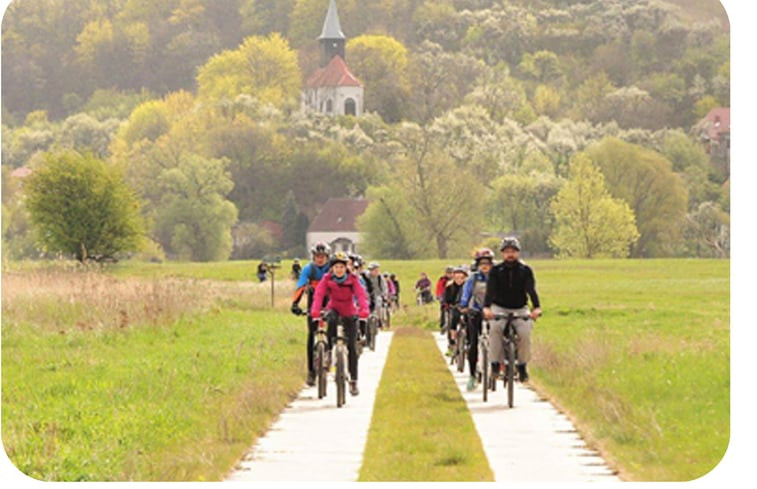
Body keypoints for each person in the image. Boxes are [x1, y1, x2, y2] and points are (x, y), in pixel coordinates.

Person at [483, 237, 542, 383]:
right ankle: (495, 364)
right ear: (502, 254)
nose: (510, 254)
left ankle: (522, 366)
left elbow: (531, 290)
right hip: (499, 307)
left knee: (525, 333)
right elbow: (490, 291)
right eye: (507, 252)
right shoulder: (496, 271)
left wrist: (536, 308)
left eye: (513, 251)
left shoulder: (525, 270)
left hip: (520, 308)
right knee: (495, 329)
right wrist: (486, 308)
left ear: (518, 253)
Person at [311, 251, 369, 396]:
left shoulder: (353, 279)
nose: (339, 270)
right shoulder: (327, 279)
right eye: (336, 267)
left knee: (352, 349)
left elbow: (361, 295)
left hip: (349, 311)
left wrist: (363, 312)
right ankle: (329, 352)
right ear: (332, 268)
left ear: (346, 268)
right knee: (330, 318)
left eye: (341, 267)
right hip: (334, 308)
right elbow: (319, 295)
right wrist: (315, 312)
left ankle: (354, 381)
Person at [291, 242, 332, 386]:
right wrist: (295, 304)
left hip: (330, 300)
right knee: (311, 334)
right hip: (313, 302)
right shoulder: (309, 269)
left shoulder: (332, 268)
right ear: (313, 256)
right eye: (317, 256)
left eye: (322, 256)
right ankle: (311, 372)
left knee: (331, 330)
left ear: (327, 256)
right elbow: (301, 285)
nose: (320, 259)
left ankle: (330, 355)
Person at [460, 248, 495, 390]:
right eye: (482, 263)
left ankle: (498, 366)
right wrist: (463, 305)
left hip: (493, 313)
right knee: (473, 343)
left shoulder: (496, 278)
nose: (485, 266)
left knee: (498, 339)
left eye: (487, 263)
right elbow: (466, 293)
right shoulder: (473, 278)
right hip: (475, 312)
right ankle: (473, 375)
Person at [442, 266, 469, 356]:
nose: (459, 280)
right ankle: (452, 341)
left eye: (461, 278)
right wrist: (447, 305)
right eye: (457, 278)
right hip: (454, 307)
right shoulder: (450, 287)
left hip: (465, 308)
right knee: (453, 319)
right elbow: (445, 298)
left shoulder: (467, 286)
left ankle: (468, 341)